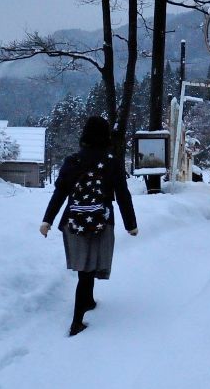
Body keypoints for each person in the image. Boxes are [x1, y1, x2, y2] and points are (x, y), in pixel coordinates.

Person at [40, 116, 138, 336]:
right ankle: (76, 322)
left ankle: (89, 301)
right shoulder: (111, 161)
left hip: (73, 223)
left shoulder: (72, 161)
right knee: (89, 268)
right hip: (101, 222)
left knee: (84, 267)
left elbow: (60, 193)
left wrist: (47, 220)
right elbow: (122, 194)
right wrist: (131, 224)